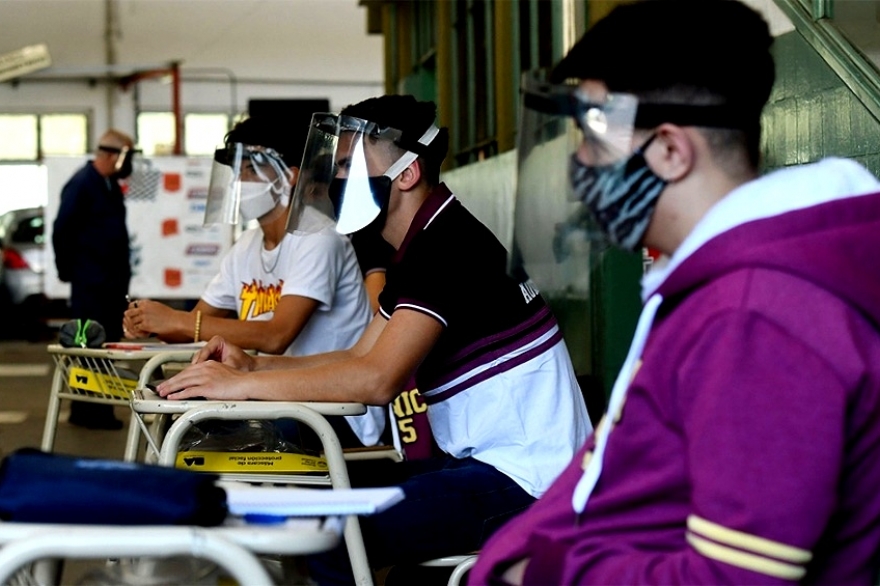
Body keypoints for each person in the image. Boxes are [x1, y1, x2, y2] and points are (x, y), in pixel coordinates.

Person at [468, 1, 880, 584]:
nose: (579, 163)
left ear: (669, 150)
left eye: (591, 139)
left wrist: (541, 572)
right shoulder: (719, 286)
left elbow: (735, 578)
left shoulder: (755, 317)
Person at [155, 95, 592, 583]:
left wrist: (237, 388)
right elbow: (361, 354)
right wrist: (252, 368)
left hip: (528, 481)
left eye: (348, 164)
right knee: (314, 502)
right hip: (487, 465)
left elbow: (376, 380)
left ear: (406, 174)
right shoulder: (423, 243)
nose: (336, 179)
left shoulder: (448, 246)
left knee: (327, 531)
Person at [123, 116, 384, 448]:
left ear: (288, 176)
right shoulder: (245, 247)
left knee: (203, 429)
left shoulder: (319, 238)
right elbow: (193, 326)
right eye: (236, 171)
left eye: (249, 169)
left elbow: (275, 336)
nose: (238, 181)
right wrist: (151, 321)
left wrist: (177, 319)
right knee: (178, 414)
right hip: (277, 395)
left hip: (336, 410)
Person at [53, 128, 135, 430]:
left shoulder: (108, 184)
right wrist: (68, 270)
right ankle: (88, 411)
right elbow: (62, 229)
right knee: (89, 347)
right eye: (128, 155)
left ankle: (97, 408)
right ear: (111, 154)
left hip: (109, 285)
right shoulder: (83, 184)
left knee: (105, 347)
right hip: (91, 284)